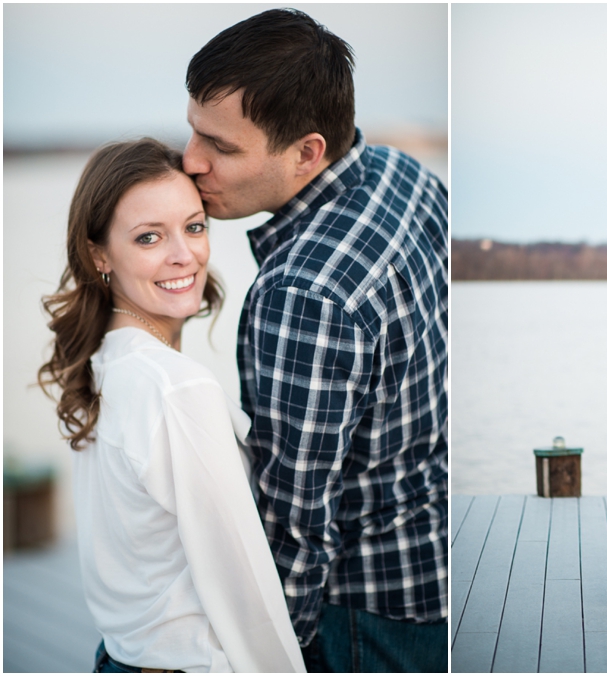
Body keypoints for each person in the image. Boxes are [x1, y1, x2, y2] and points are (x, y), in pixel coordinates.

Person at [182, 9, 448, 672]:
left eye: (222, 147)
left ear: (307, 152)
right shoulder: (402, 174)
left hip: (366, 615)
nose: (192, 162)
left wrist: (269, 655)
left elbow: (295, 525)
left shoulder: (302, 293)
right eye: (193, 132)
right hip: (439, 567)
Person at [38, 139, 306, 673]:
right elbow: (244, 589)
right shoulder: (175, 388)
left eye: (194, 226)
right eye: (148, 237)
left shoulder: (107, 361)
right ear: (98, 255)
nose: (184, 254)